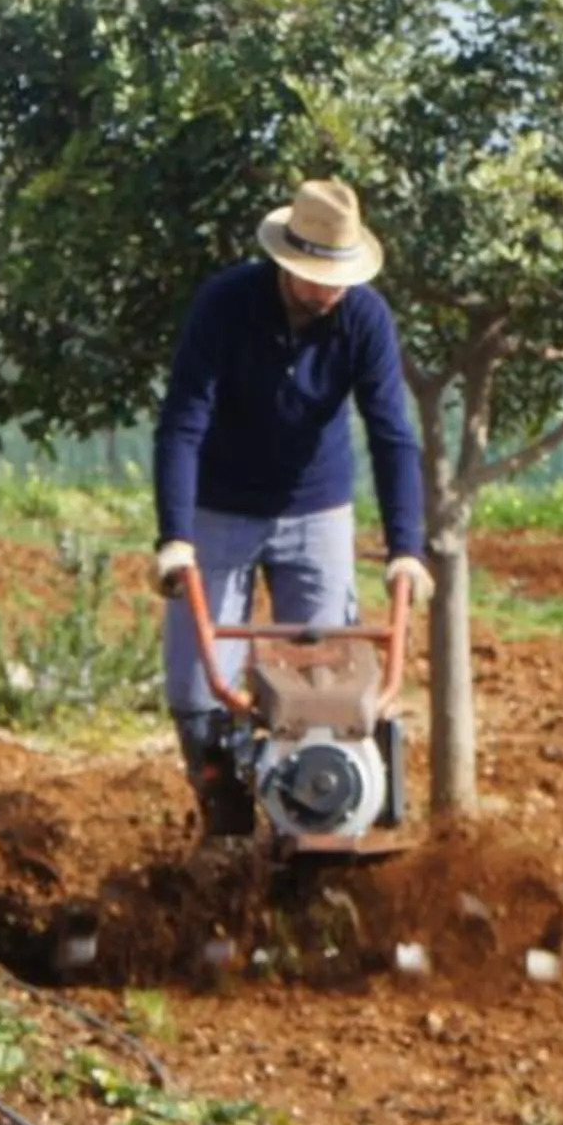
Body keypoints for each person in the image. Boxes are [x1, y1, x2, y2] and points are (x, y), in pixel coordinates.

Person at [151, 178, 431, 833]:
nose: (326, 291)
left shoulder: (364, 319)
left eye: (337, 277)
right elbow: (183, 421)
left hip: (317, 510)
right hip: (219, 508)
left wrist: (406, 551)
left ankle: (321, 824)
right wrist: (175, 535)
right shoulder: (225, 306)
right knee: (199, 691)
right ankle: (225, 822)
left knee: (333, 686)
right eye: (313, 277)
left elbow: (391, 433)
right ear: (285, 261)